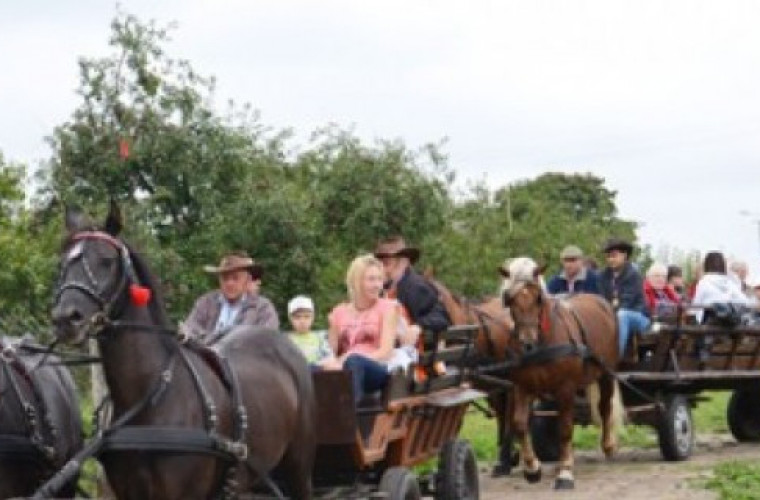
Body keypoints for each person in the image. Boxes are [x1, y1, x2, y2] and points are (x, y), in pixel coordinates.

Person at [325, 254, 398, 402]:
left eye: (379, 279)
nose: (377, 285)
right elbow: (330, 352)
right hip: (345, 368)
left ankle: (348, 419)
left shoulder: (388, 308)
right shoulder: (339, 312)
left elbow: (385, 352)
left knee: (354, 362)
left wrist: (349, 360)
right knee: (309, 369)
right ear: (356, 281)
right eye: (371, 279)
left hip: (375, 368)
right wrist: (333, 362)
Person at [183, 252, 279, 343]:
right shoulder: (206, 302)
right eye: (225, 278)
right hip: (206, 357)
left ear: (248, 280)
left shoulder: (262, 308)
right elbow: (189, 329)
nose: (229, 283)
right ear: (219, 280)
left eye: (235, 278)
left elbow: (267, 341)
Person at [374, 236, 451, 334]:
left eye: (386, 261)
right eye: (380, 260)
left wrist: (417, 327)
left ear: (403, 261)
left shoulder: (417, 286)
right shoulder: (381, 288)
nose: (381, 265)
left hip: (407, 346)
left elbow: (440, 318)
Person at [597, 238, 651, 356]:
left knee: (622, 314)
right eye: (608, 256)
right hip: (611, 313)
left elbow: (627, 303)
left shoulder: (633, 275)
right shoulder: (603, 276)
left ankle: (615, 357)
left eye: (614, 256)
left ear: (624, 255)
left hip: (638, 317)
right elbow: (601, 299)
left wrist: (609, 309)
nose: (611, 260)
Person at [692, 252, 755, 323]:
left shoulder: (704, 282)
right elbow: (745, 302)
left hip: (710, 323)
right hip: (730, 323)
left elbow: (695, 306)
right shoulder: (730, 282)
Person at [286, 295, 331, 366]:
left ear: (313, 317)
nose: (302, 321)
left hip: (317, 373)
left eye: (307, 316)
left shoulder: (322, 337)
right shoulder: (285, 339)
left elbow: (330, 359)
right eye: (297, 317)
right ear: (290, 318)